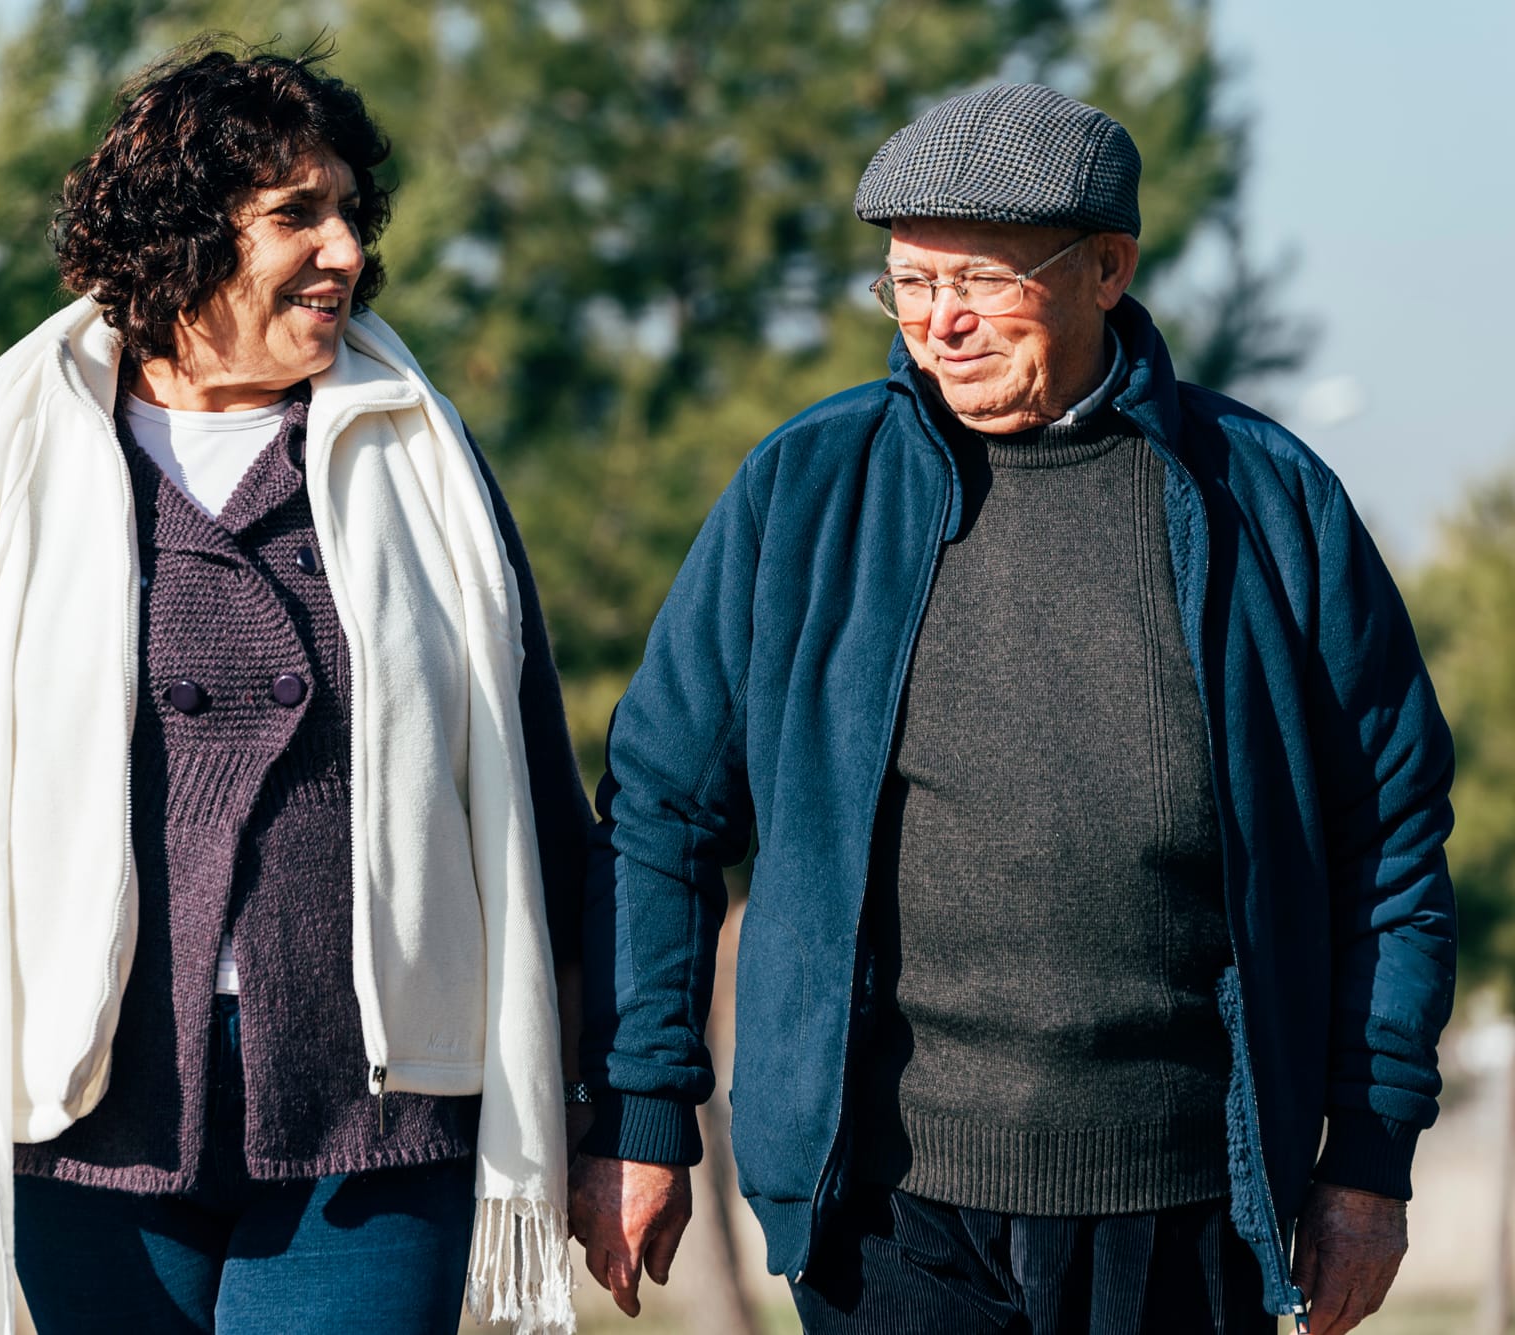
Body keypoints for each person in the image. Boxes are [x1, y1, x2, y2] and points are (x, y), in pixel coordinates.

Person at [568, 83, 1455, 1335]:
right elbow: (658, 811)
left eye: (978, 283)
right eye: (908, 285)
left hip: (1185, 1210)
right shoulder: (805, 491)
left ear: (1106, 267)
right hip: (885, 1212)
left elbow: (1392, 848)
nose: (940, 326)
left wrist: (1365, 1161)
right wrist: (639, 1107)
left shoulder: (1270, 503)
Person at [0, 43, 589, 1335]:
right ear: (185, 235)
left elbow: (537, 791)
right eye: (295, 216)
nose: (345, 251)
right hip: (93, 1108)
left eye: (347, 213)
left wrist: (604, 1110)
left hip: (373, 1112)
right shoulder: (12, 455)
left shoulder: (416, 453)